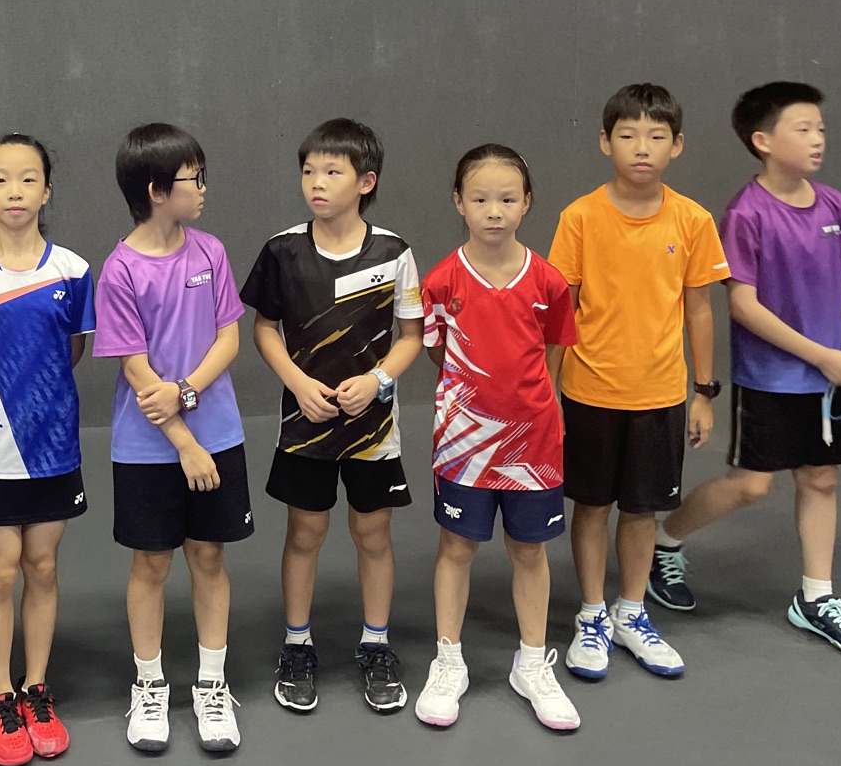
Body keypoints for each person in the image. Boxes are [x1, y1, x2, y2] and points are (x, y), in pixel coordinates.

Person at [646, 83, 841, 659]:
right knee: (751, 485)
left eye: (820, 129)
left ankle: (816, 597)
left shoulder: (836, 207)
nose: (817, 139)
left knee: (821, 479)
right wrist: (818, 354)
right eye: (803, 129)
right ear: (762, 141)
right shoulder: (746, 214)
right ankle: (664, 543)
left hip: (828, 382)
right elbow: (742, 305)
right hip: (770, 378)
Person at [239, 118, 423, 715]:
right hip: (306, 423)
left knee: (373, 534)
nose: (316, 182)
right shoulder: (282, 251)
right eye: (308, 171)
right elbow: (264, 329)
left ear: (366, 181)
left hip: (373, 426)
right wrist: (297, 383)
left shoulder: (394, 252)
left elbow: (411, 336)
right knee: (305, 533)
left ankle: (376, 644)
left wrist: (378, 381)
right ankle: (297, 645)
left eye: (332, 172)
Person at [548, 84, 729, 683]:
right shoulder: (580, 217)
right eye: (628, 135)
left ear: (677, 145)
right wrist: (546, 389)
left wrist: (704, 392)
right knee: (592, 505)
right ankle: (592, 615)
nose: (642, 147)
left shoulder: (693, 219)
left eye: (656, 136)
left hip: (660, 394)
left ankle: (632, 612)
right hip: (589, 391)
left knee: (642, 509)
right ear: (606, 142)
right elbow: (562, 310)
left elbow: (699, 309)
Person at [94, 123, 252, 755]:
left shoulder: (210, 251)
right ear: (157, 190)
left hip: (218, 433)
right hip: (148, 448)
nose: (204, 188)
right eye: (194, 179)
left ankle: (211, 685)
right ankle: (150, 685)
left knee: (209, 557)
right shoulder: (119, 271)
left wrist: (186, 392)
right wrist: (184, 442)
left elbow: (229, 337)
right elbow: (136, 370)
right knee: (152, 563)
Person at [415, 145, 580, 731]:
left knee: (529, 550)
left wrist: (538, 402)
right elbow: (436, 350)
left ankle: (531, 664)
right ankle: (448, 661)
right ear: (458, 202)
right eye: (480, 198)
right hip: (464, 442)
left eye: (507, 199)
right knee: (457, 547)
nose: (494, 211)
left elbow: (555, 347)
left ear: (527, 203)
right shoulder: (441, 281)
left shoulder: (549, 280)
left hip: (534, 444)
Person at [0, 134, 95, 766]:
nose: (15, 191)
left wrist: (39, 401)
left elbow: (73, 351)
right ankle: (0, 694)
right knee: (1, 569)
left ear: (47, 191)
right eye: (1, 180)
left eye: (28, 179)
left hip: (54, 443)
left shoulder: (74, 270)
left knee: (43, 566)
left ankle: (37, 689)